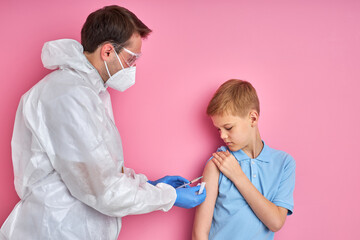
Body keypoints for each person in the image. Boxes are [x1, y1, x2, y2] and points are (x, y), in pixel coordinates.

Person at [0, 5, 205, 240]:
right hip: (55, 230)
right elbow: (103, 190)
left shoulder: (88, 92)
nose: (133, 67)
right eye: (131, 58)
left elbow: (100, 170)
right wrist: (168, 197)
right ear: (108, 51)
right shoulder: (68, 96)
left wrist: (147, 184)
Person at [192, 79, 295, 240]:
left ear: (253, 118)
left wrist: (237, 175)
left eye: (228, 127)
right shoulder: (217, 163)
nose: (222, 136)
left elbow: (275, 222)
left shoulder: (284, 163)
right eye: (218, 129)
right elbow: (199, 233)